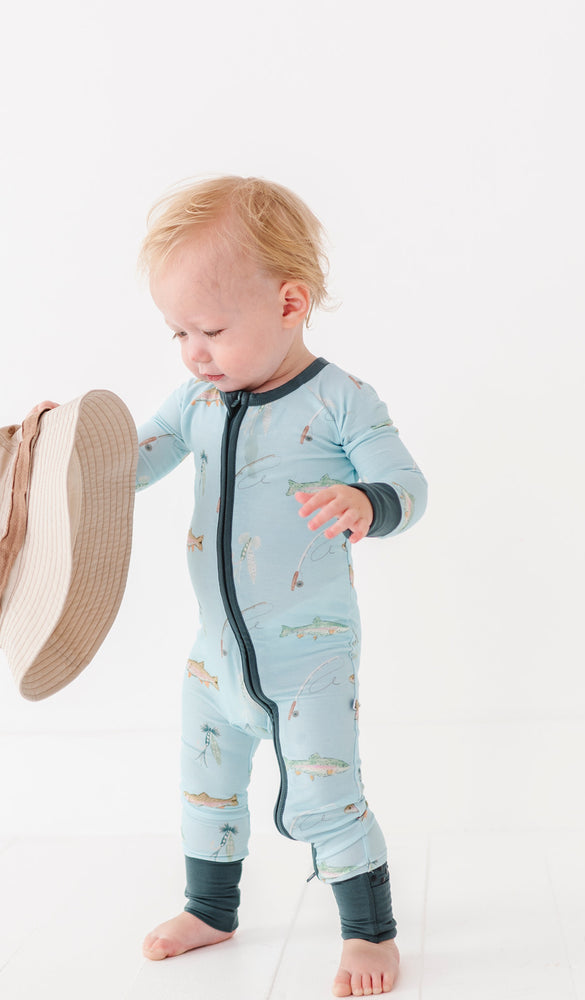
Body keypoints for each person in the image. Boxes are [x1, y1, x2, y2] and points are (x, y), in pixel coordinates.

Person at [134, 176, 426, 997]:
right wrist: (66, 450)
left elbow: (409, 485)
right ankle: (210, 907)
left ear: (291, 302)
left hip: (310, 659)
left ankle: (369, 932)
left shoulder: (340, 401)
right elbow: (132, 462)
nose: (193, 351)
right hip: (215, 656)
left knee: (328, 790)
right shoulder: (196, 399)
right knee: (205, 785)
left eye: (212, 329)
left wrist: (367, 501)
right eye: (178, 331)